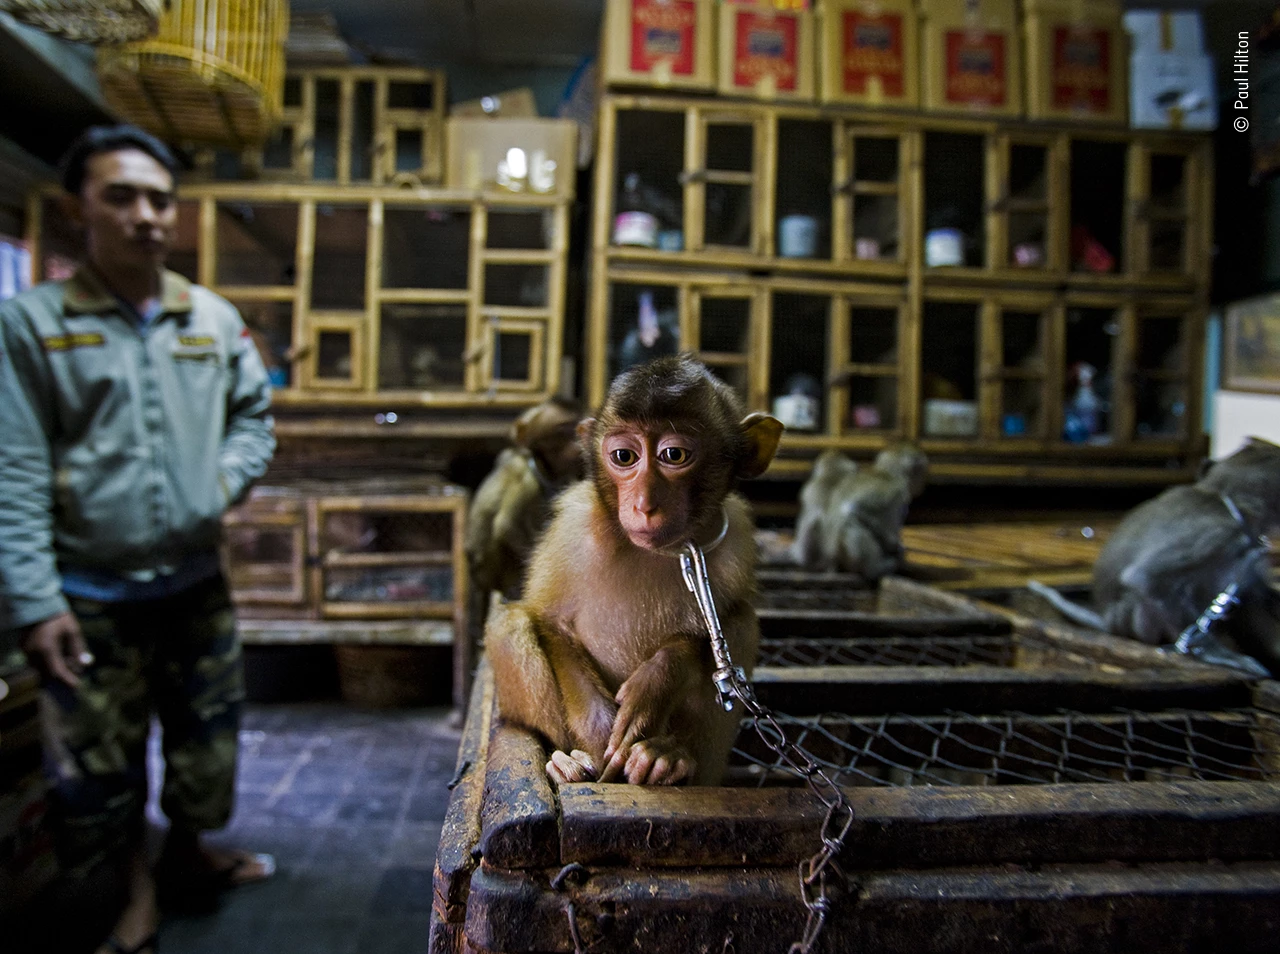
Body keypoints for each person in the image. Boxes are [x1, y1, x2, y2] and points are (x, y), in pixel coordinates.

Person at [0, 125, 277, 954]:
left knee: (206, 742)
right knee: (99, 764)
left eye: (160, 198)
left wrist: (215, 486)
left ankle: (190, 858)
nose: (147, 215)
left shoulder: (212, 318)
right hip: (89, 594)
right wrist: (36, 601)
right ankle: (132, 891)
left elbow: (253, 423)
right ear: (77, 207)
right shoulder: (34, 326)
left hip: (194, 583)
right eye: (121, 195)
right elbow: (11, 468)